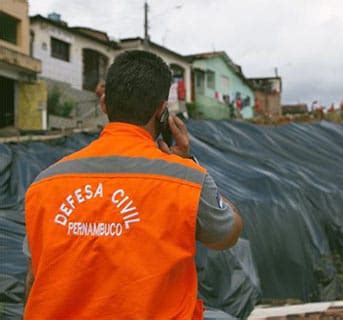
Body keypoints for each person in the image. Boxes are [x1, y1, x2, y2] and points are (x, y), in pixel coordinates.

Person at [23, 50, 243, 319]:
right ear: (162, 111)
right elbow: (227, 234)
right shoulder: (186, 180)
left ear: (104, 103)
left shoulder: (45, 184)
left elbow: (34, 278)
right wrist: (188, 161)